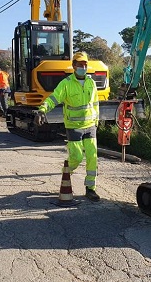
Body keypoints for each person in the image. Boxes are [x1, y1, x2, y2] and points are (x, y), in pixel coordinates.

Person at [34, 52, 101, 202]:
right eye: (80, 65)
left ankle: (90, 189)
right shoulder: (66, 84)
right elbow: (53, 98)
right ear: (74, 66)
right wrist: (42, 110)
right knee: (76, 158)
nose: (83, 67)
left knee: (92, 158)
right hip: (73, 126)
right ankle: (66, 172)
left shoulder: (91, 83)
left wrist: (96, 121)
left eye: (85, 64)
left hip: (90, 126)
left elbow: (95, 104)